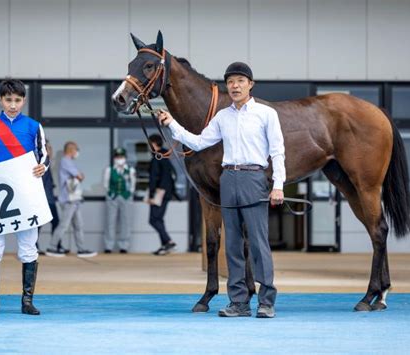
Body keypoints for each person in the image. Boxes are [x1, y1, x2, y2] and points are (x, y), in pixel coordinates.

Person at [158, 62, 286, 319]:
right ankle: (238, 302)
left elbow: (277, 151)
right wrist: (172, 123)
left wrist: (279, 185)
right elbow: (198, 141)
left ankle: (266, 301)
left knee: (259, 243)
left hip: (254, 177)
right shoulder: (222, 117)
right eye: (230, 82)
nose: (235, 86)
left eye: (240, 81)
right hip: (228, 178)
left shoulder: (266, 114)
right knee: (233, 244)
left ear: (250, 84)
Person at [0, 79, 48, 315]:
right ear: (0, 100)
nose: (13, 105)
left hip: (26, 195)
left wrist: (43, 167)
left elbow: (44, 154)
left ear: (23, 100)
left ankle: (27, 302)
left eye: (17, 100)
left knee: (28, 248)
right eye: (8, 100)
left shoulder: (34, 126)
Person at [45, 142, 97, 258]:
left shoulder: (68, 162)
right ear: (71, 150)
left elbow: (79, 176)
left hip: (75, 200)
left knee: (78, 225)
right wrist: (80, 175)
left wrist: (79, 175)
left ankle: (81, 249)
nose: (77, 152)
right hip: (69, 200)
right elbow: (80, 176)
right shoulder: (66, 161)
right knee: (64, 225)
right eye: (76, 149)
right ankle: (52, 247)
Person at [147, 134, 177, 256]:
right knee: (158, 219)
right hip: (167, 192)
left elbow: (154, 177)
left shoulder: (157, 158)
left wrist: (151, 194)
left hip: (159, 192)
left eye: (149, 144)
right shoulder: (165, 156)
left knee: (153, 219)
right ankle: (165, 245)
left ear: (154, 144)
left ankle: (168, 241)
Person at [103, 147, 136, 254]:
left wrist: (129, 194)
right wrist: (110, 194)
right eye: (117, 157)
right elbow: (105, 184)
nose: (119, 159)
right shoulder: (110, 169)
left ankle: (124, 245)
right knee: (110, 222)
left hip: (126, 197)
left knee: (126, 222)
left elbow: (133, 185)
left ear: (125, 157)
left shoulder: (130, 170)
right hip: (113, 197)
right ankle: (109, 245)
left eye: (121, 156)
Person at [38, 139, 60, 254]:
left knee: (53, 222)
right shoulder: (42, 164)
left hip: (49, 198)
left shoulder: (47, 163)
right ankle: (55, 246)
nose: (51, 151)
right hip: (45, 199)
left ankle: (57, 245)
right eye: (49, 148)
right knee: (50, 222)